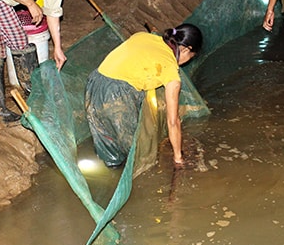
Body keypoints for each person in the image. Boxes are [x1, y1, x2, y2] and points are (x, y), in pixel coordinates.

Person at [85, 23, 203, 168]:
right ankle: (121, 177)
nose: (189, 60)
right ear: (186, 49)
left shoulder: (142, 36)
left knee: (105, 138)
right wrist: (178, 157)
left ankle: (109, 169)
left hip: (95, 81)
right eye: (191, 56)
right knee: (133, 150)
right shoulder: (170, 71)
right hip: (116, 94)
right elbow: (173, 122)